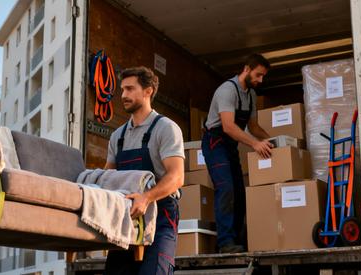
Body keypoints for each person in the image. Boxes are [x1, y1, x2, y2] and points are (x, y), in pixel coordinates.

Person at [103, 66, 185, 274]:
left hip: (161, 216)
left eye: (130, 89)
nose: (123, 95)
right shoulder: (117, 136)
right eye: (122, 89)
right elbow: (107, 178)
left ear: (148, 91)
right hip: (125, 219)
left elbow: (176, 177)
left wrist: (146, 198)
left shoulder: (166, 128)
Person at [201, 54, 272, 253]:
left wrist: (276, 142)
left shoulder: (251, 95)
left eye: (263, 76)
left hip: (230, 146)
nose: (260, 80)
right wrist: (255, 144)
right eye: (258, 75)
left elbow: (253, 127)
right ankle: (225, 243)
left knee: (240, 193)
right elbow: (228, 126)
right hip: (215, 143)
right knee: (226, 188)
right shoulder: (227, 90)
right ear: (246, 69)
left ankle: (237, 240)